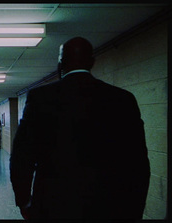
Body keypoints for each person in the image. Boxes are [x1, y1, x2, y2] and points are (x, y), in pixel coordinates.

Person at [10, 37, 150, 220]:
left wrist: (24, 200)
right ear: (92, 62)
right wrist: (135, 209)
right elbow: (138, 162)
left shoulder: (40, 98)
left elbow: (22, 156)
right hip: (109, 205)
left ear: (61, 63)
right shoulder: (122, 99)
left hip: (53, 205)